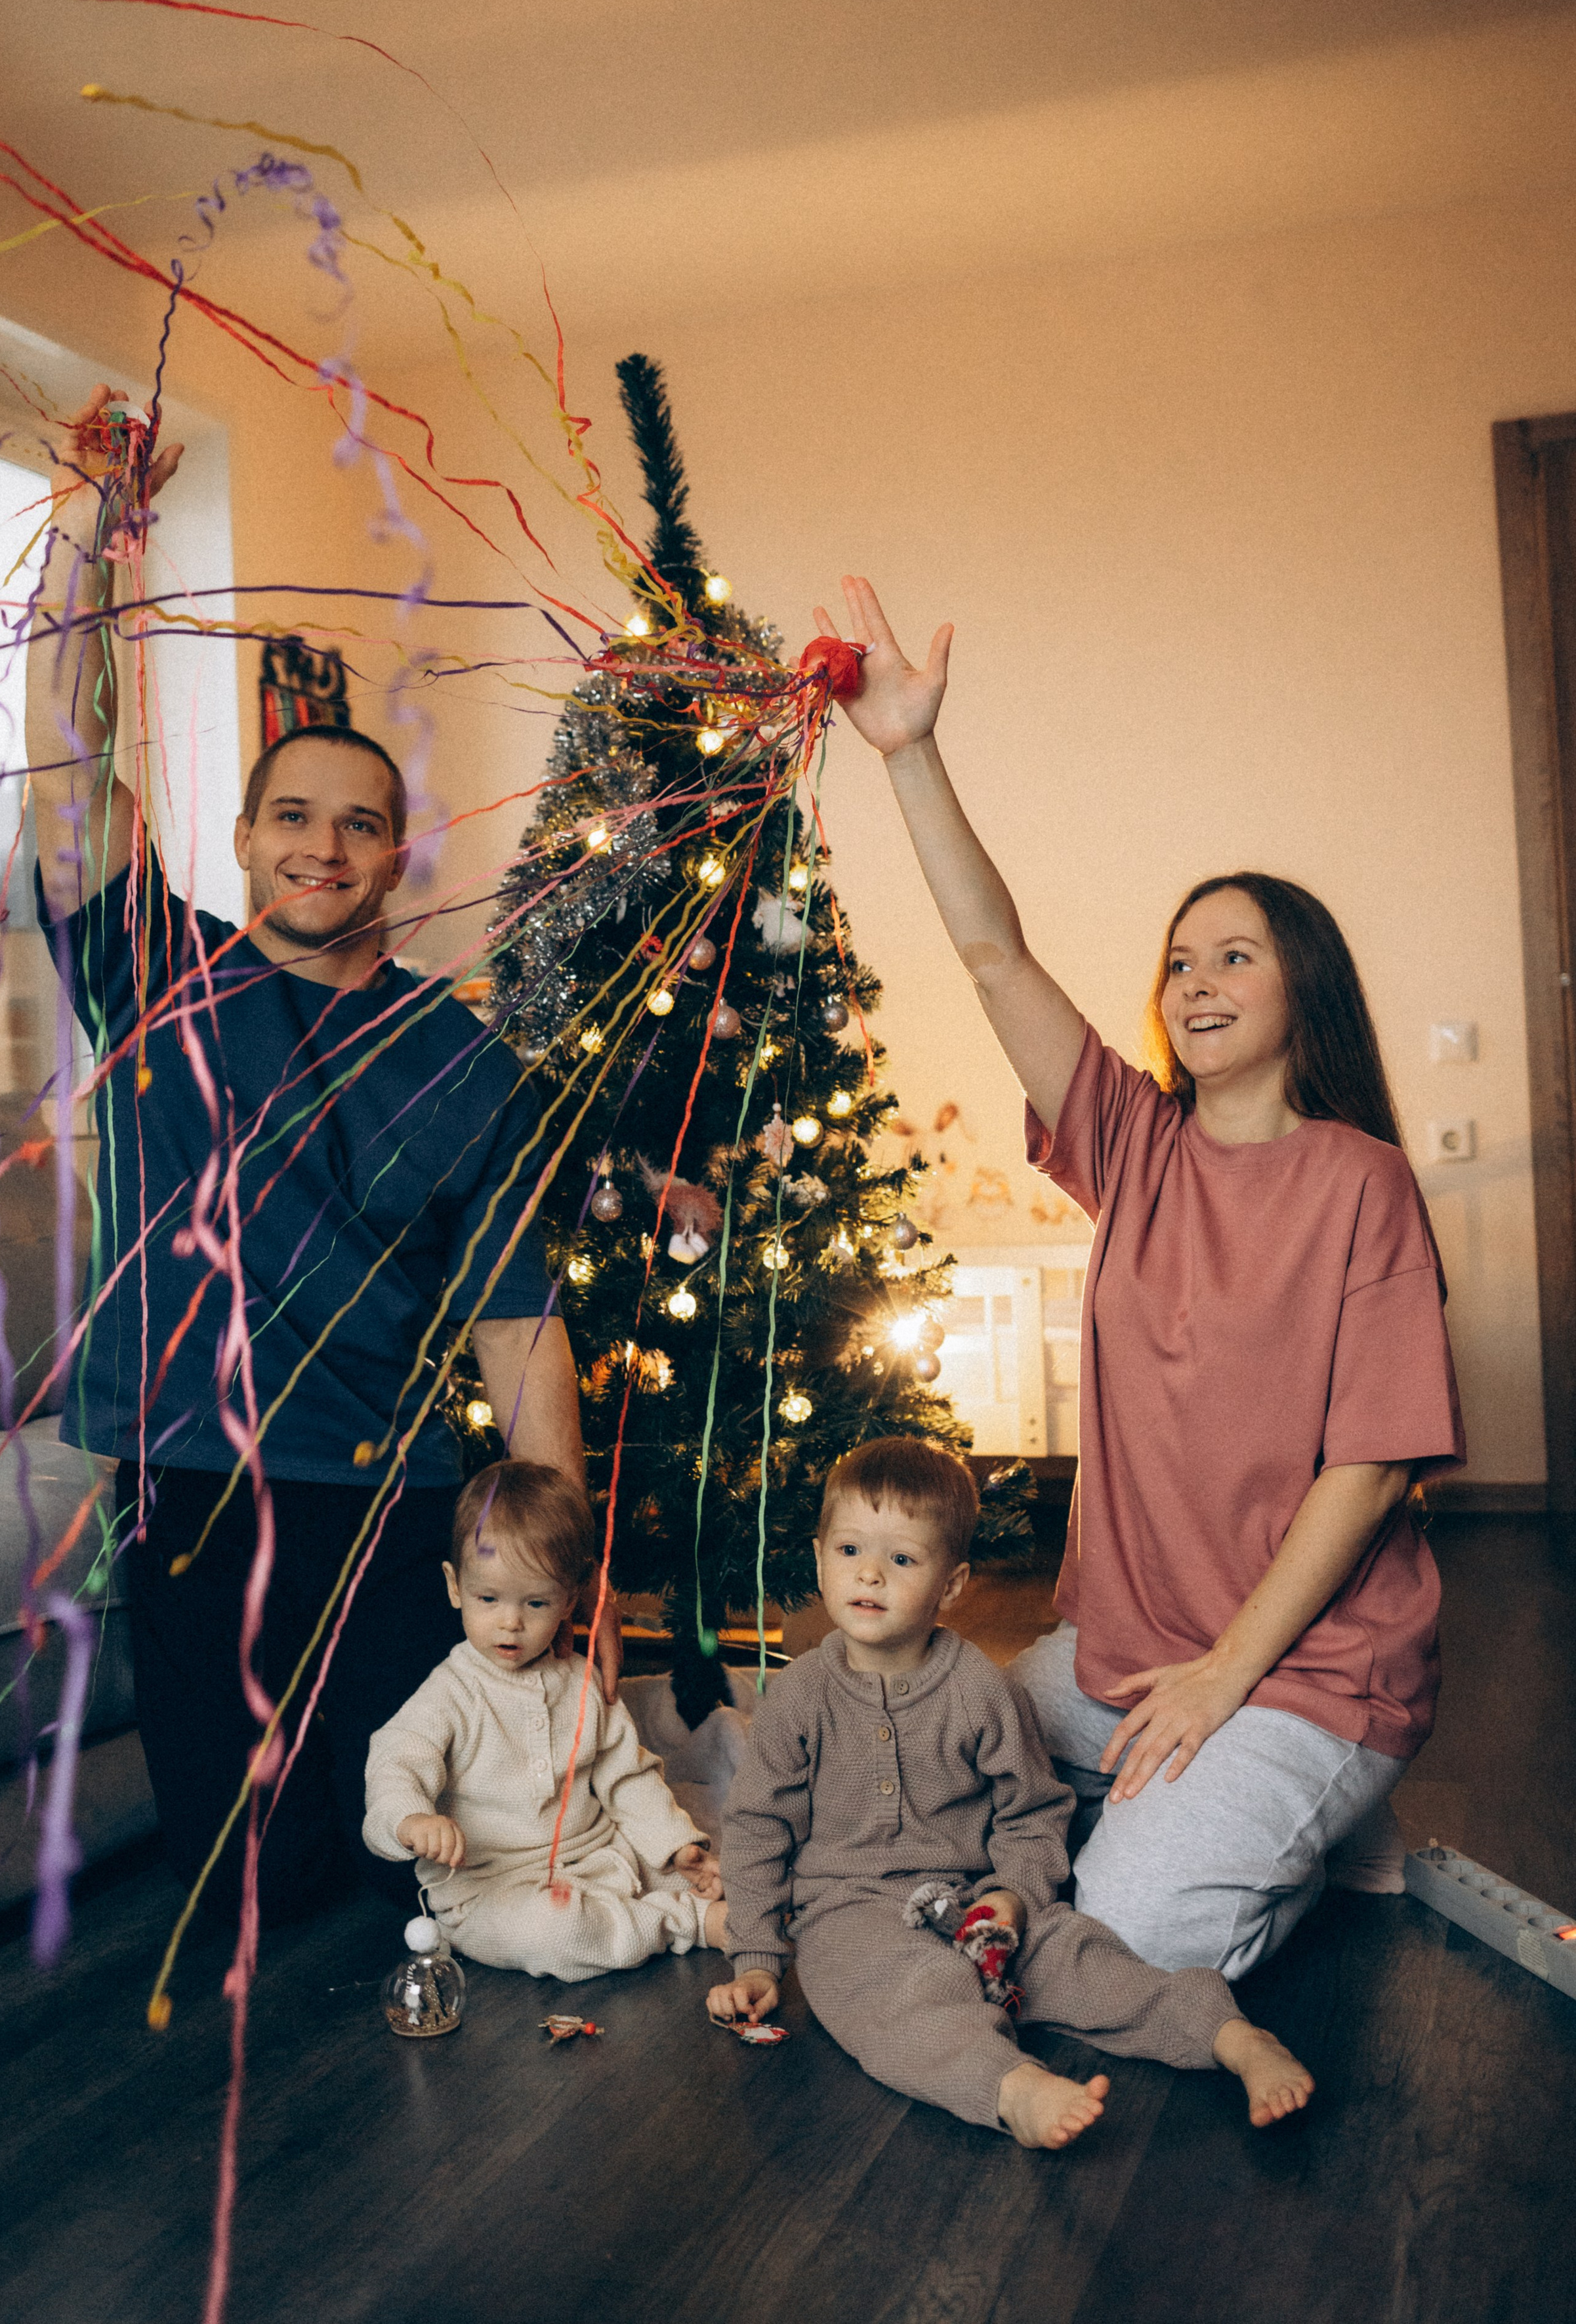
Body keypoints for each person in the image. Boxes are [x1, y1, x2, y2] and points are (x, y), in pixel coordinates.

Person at [27, 387, 619, 1929]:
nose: (324, 846)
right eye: (292, 816)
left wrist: (558, 1571)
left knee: (407, 1864)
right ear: (239, 840)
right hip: (194, 1489)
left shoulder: (466, 1058)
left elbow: (517, 1319)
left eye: (359, 823)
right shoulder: (158, 974)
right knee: (245, 1890)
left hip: (385, 1497)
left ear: (395, 855)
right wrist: (92, 523)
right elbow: (58, 757)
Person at [816, 575, 1463, 1978]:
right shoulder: (1132, 1142)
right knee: (911, 1771)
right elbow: (992, 957)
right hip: (1120, 1660)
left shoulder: (1359, 1182)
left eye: (1234, 955)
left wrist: (1230, 1680)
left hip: (1301, 1672)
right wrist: (908, 753)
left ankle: (1288, 1807)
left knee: (1121, 1938)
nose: (1194, 980)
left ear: (1303, 989)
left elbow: (1363, 1473)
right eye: (1177, 961)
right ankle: (1228, 1811)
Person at [707, 1441, 1312, 2147]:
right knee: (894, 2001)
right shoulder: (800, 1696)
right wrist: (754, 1955)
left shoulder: (982, 1690)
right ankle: (1009, 2086)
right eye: (848, 1550)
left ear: (952, 1584)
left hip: (973, 1899)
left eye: (901, 1559)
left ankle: (1231, 2037)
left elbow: (1032, 1813)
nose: (868, 1573)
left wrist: (1014, 1897)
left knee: (1083, 1958)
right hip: (848, 1911)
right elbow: (757, 1828)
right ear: (818, 1560)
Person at [364, 1459, 728, 1978]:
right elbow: (396, 1763)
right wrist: (411, 1821)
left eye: (535, 1603)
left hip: (597, 1857)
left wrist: (676, 1845)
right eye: (487, 1599)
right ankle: (686, 1923)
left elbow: (626, 1776)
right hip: (491, 1887)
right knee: (553, 1932)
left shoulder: (580, 1682)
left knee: (699, 1867)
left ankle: (680, 1901)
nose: (510, 1622)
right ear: (454, 1585)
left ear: (569, 1602)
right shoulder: (450, 1692)